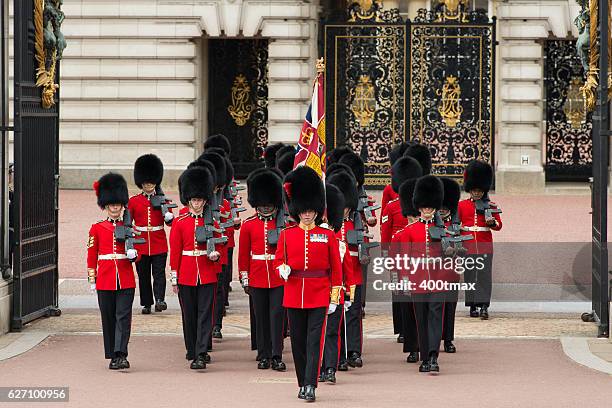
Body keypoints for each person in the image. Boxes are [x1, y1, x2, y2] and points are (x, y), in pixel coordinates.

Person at [274, 166, 342, 402]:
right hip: (294, 293)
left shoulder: (328, 236)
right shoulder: (287, 234)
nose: (307, 214)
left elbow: (336, 268)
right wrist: (281, 268)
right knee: (298, 343)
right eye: (303, 211)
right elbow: (279, 260)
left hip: (319, 293)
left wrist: (334, 296)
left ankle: (311, 384)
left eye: (311, 210)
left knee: (315, 341)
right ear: (297, 210)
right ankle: (302, 381)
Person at [392, 175, 447, 374]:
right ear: (419, 207)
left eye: (430, 207)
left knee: (435, 316)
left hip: (438, 279)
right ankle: (425, 356)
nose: (426, 210)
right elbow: (405, 257)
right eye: (424, 207)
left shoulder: (443, 231)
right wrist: (405, 279)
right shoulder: (409, 231)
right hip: (417, 279)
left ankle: (433, 356)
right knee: (421, 319)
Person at [169, 166, 222, 370]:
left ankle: (201, 352)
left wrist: (216, 255)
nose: (197, 203)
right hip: (186, 274)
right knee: (189, 315)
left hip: (207, 273)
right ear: (188, 200)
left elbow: (221, 244)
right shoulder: (180, 223)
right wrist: (174, 277)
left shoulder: (213, 221)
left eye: (200, 200)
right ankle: (192, 348)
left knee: (204, 314)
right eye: (194, 200)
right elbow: (175, 251)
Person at [87, 173, 139, 370]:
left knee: (123, 318)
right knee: (108, 318)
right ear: (106, 205)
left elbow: (139, 253)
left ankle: (121, 354)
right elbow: (91, 255)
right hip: (105, 279)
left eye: (118, 204)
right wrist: (92, 278)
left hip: (125, 279)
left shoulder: (130, 228)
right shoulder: (97, 228)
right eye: (112, 204)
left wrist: (135, 254)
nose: (115, 207)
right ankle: (112, 354)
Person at [239, 169, 287, 371]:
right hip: (257, 276)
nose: (266, 208)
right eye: (262, 204)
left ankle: (276, 354)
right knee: (261, 317)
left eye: (269, 204)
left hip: (277, 276)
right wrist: (244, 277)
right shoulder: (248, 225)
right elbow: (243, 254)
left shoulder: (284, 224)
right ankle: (263, 354)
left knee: (277, 315)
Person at [380, 156, 422, 345]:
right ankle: (402, 328)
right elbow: (385, 231)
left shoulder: (420, 205)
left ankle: (414, 328)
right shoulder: (392, 206)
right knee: (399, 292)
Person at [128, 154, 174, 315]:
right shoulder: (133, 201)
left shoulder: (163, 200)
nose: (148, 185)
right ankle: (146, 303)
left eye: (151, 182)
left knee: (159, 273)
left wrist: (168, 216)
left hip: (158, 241)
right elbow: (128, 223)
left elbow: (170, 223)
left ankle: (160, 300)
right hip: (141, 243)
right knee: (144, 275)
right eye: (146, 182)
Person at [327, 170, 364, 370]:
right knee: (335, 318)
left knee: (353, 314)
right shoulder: (330, 225)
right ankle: (339, 355)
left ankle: (354, 351)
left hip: (353, 275)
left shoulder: (354, 224)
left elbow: (362, 247)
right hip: (334, 278)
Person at [458, 160, 502, 320]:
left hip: (484, 246)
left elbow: (499, 225)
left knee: (484, 276)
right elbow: (457, 224)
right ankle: (472, 305)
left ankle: (484, 305)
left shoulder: (490, 205)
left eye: (479, 191)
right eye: (474, 190)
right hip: (467, 246)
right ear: (470, 189)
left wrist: (492, 223)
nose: (477, 193)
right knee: (470, 275)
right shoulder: (461, 205)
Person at [439, 177, 462, 353]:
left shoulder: (457, 224)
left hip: (452, 270)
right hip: (434, 271)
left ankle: (448, 339)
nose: (443, 210)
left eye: (446, 207)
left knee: (450, 305)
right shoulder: (431, 224)